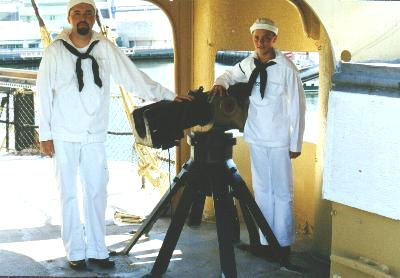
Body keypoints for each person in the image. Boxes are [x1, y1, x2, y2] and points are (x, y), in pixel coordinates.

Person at [37, 0, 191, 270]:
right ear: (70, 18)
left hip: (94, 133)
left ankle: (97, 250)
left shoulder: (105, 48)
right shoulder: (55, 51)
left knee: (97, 191)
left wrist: (167, 96)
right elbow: (43, 94)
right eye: (77, 13)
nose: (83, 18)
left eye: (88, 13)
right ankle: (74, 252)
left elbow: (133, 77)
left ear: (95, 18)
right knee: (68, 194)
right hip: (63, 133)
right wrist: (46, 134)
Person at [211, 18, 306, 273]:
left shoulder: (286, 67)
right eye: (257, 38)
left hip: (278, 138)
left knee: (282, 191)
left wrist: (295, 141)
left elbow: (298, 105)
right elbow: (230, 73)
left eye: (265, 38)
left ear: (274, 39)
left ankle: (283, 244)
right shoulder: (249, 62)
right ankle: (265, 241)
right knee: (262, 190)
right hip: (255, 135)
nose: (261, 43)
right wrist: (220, 82)